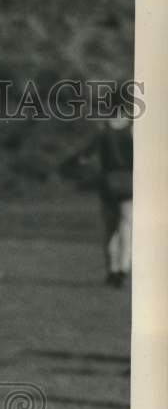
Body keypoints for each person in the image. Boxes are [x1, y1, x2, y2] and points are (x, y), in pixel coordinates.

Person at [60, 87, 133, 288]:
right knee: (126, 228)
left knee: (110, 230)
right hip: (129, 183)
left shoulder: (103, 129)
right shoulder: (133, 128)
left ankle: (111, 270)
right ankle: (123, 270)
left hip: (108, 182)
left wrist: (71, 162)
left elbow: (84, 155)